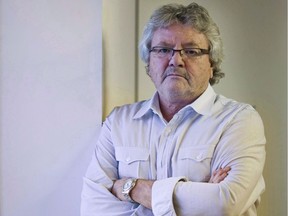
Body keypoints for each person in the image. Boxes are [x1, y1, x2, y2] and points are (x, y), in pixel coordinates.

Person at [81, 2, 266, 216]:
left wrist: (131, 188)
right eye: (163, 50)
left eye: (191, 51)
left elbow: (225, 204)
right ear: (149, 63)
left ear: (212, 64)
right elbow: (93, 209)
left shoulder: (239, 121)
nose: (176, 60)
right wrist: (198, 197)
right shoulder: (119, 122)